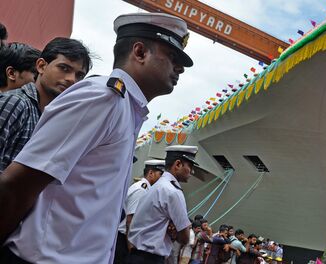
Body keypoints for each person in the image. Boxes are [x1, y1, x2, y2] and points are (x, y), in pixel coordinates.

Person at [0, 12, 193, 263]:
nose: (179, 68)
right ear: (140, 52)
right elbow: (19, 184)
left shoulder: (126, 109)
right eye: (173, 56)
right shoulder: (102, 100)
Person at [0, 37, 90, 174]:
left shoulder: (52, 117)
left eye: (79, 75)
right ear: (41, 66)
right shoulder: (16, 103)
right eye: (64, 68)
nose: (71, 79)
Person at [127, 145, 199, 264]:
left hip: (135, 255)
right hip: (150, 259)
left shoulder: (154, 187)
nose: (192, 171)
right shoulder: (173, 191)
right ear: (178, 164)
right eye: (190, 166)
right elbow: (185, 238)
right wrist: (174, 231)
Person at [114, 160, 165, 264]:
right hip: (124, 240)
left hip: (128, 239)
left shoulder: (147, 190)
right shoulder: (141, 190)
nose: (162, 179)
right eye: (160, 174)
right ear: (151, 173)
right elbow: (130, 220)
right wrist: (130, 248)